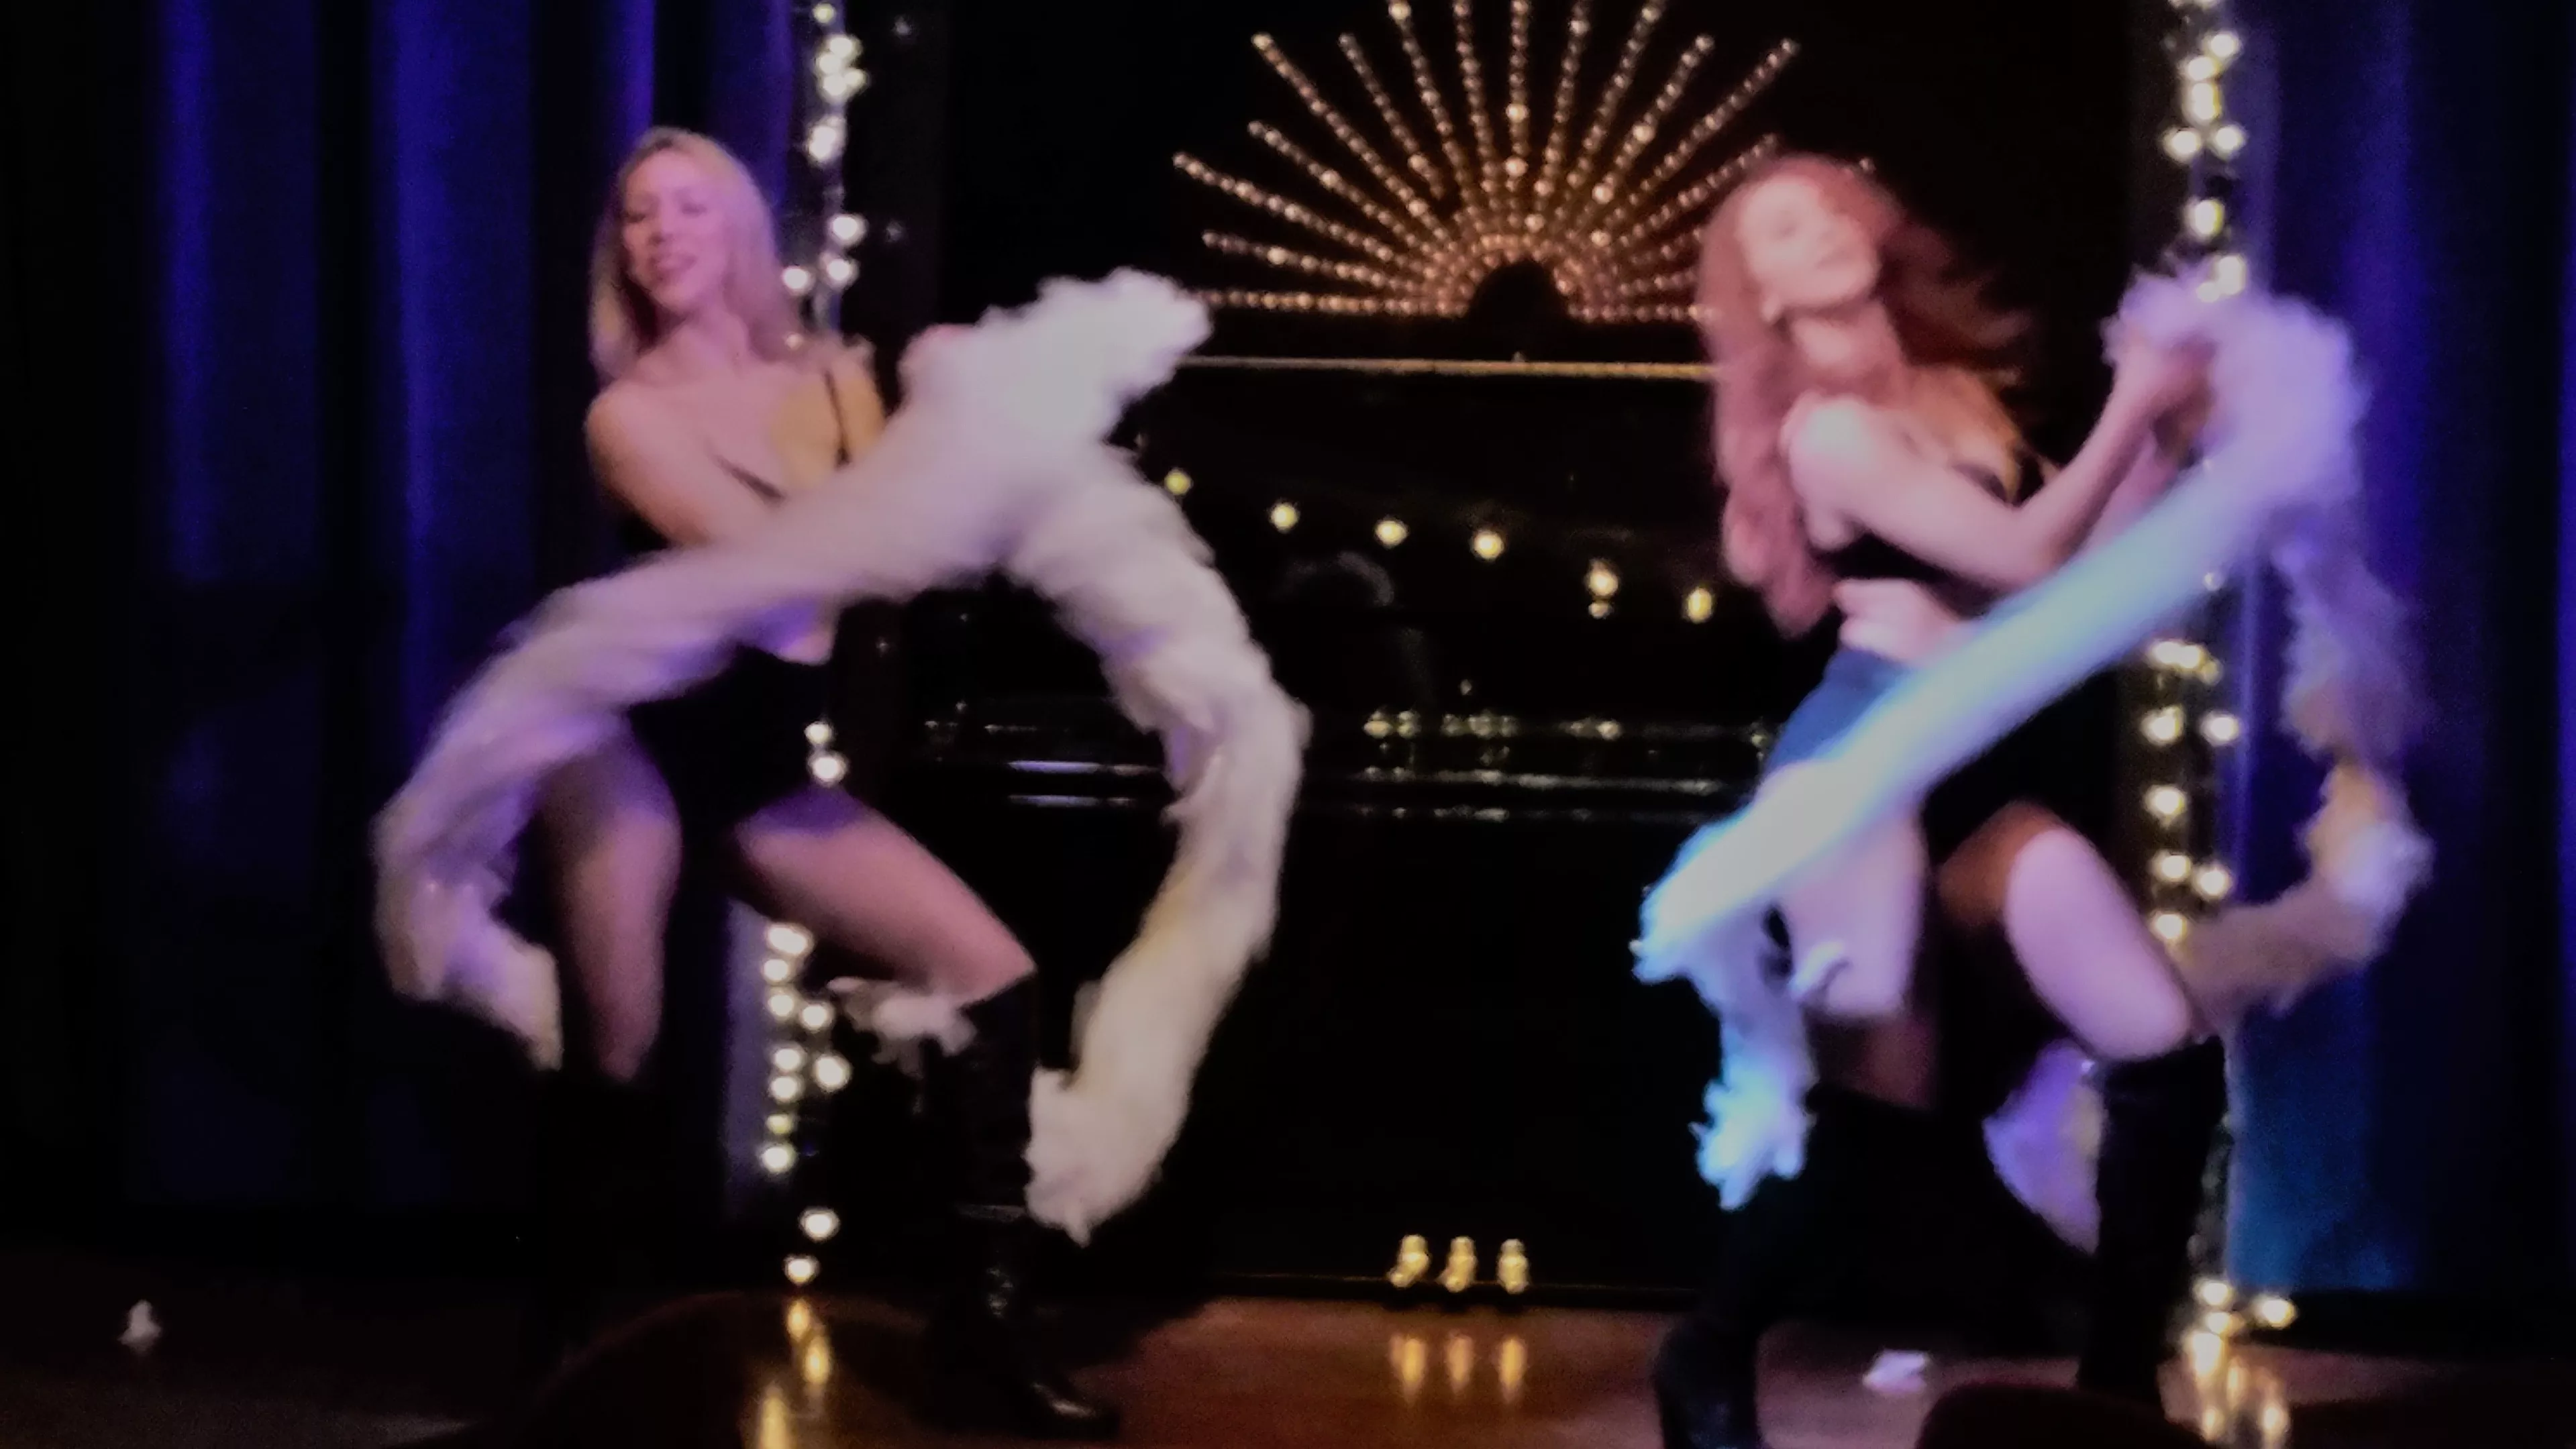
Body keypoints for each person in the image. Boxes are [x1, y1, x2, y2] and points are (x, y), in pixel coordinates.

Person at [537, 126, 1117, 1440]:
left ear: (741, 228)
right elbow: (785, 577)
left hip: (752, 766)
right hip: (627, 748)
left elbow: (925, 544)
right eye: (638, 217)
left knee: (992, 974)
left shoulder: (832, 375)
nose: (662, 236)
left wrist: (964, 420)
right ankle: (572, 1358)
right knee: (618, 1045)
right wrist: (904, 463)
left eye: (689, 208)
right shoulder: (628, 416)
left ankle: (985, 1334)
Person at [1649, 154, 2224, 1448]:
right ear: (1761, 298)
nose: (1818, 229)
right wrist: (2132, 398)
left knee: (2163, 1045)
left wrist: (2167, 437)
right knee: (1882, 1114)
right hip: (1859, 771)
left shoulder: (1956, 393)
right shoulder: (1827, 432)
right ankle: (1709, 1348)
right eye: (1778, 231)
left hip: (1976, 766)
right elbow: (2019, 556)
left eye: (1824, 205)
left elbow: (2074, 570)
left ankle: (2116, 1396)